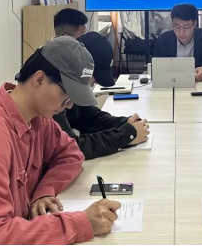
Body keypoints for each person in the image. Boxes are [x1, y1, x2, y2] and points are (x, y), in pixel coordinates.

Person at [0, 37, 122, 245]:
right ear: (39, 79)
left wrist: (44, 192)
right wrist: (81, 224)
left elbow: (71, 153)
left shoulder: (37, 118)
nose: (69, 106)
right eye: (66, 96)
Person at [54, 31, 151, 159]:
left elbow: (91, 118)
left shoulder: (71, 89)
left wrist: (125, 124)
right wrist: (125, 135)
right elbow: (71, 148)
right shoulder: (54, 99)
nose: (92, 84)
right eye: (93, 77)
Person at [153, 3, 202, 82]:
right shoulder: (163, 40)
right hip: (170, 84)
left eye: (186, 27)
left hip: (199, 85)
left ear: (194, 24)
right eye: (177, 27)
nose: (181, 32)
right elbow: (155, 68)